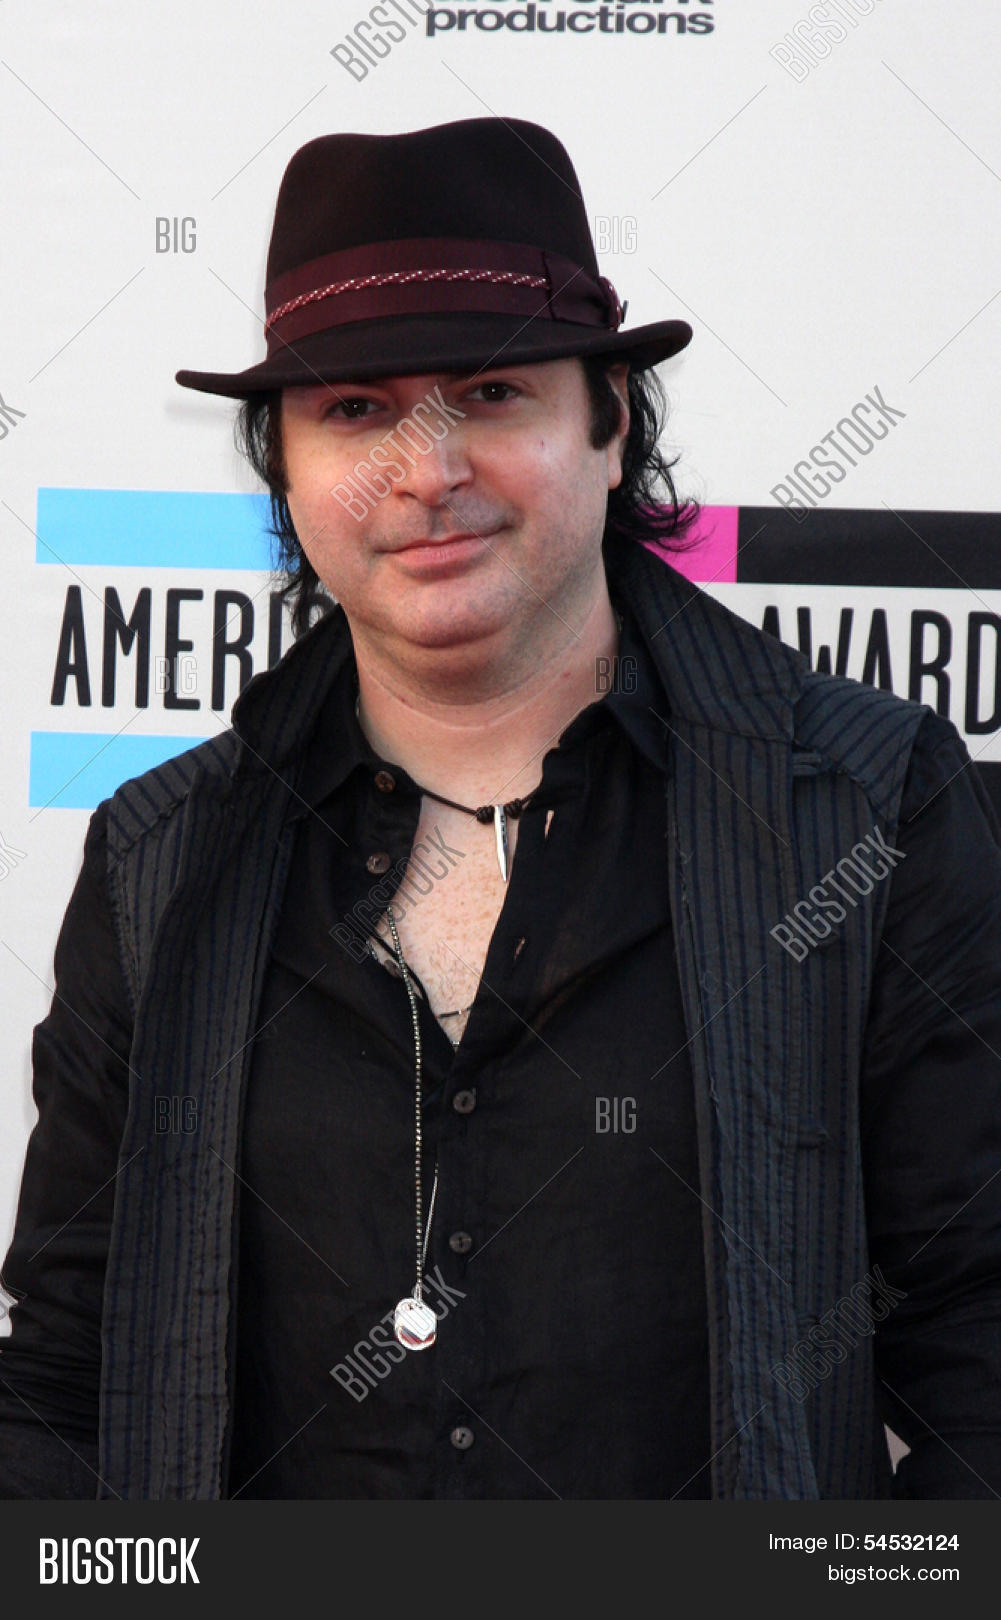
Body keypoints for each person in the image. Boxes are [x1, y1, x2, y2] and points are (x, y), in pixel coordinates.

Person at [2, 116, 1000, 1501]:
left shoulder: (863, 806)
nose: (428, 473)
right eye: (356, 412)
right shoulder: (160, 859)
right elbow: (65, 1372)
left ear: (610, 423)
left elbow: (976, 1334)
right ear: (284, 471)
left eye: (487, 392)